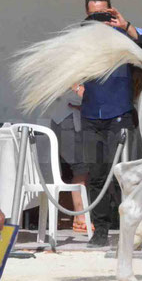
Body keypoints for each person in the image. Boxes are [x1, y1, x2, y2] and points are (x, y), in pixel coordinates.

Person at [71, 0, 142, 247]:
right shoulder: (80, 38)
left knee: (124, 174)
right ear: (87, 15)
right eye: (94, 14)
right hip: (91, 114)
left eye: (104, 13)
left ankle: (130, 229)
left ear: (112, 10)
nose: (100, 18)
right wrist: (75, 85)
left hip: (120, 113)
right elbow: (66, 63)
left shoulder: (124, 32)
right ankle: (101, 231)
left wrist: (124, 24)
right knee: (96, 174)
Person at [49, 86, 91, 233]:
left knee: (77, 169)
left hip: (69, 119)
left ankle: (75, 217)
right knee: (80, 168)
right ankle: (80, 217)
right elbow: (78, 96)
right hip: (68, 120)